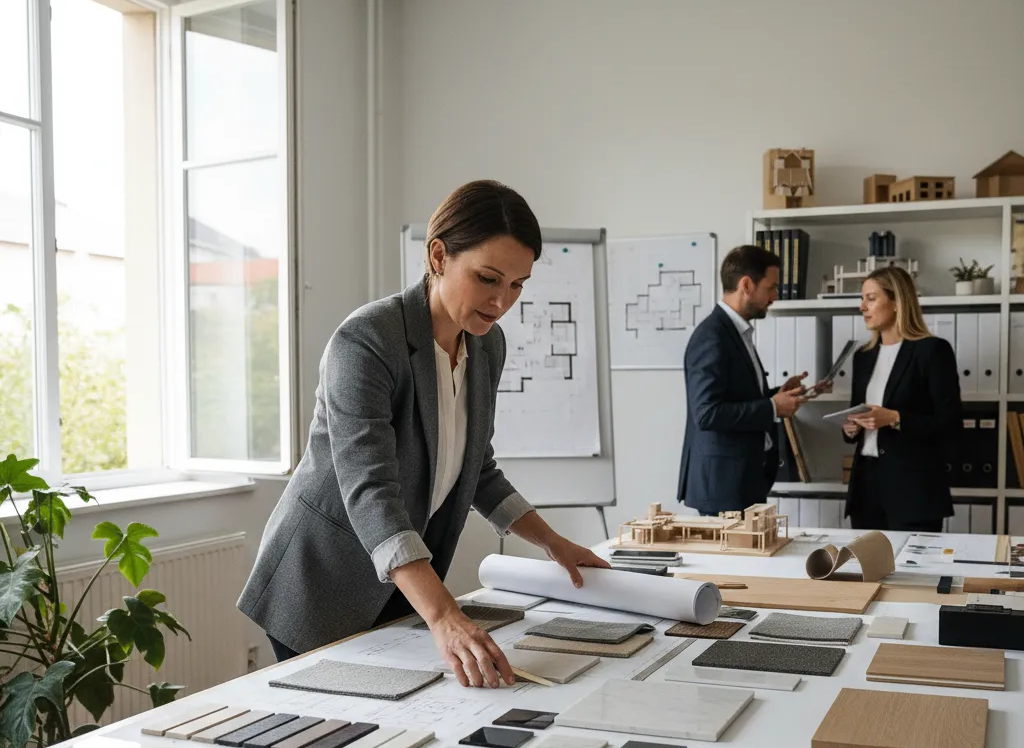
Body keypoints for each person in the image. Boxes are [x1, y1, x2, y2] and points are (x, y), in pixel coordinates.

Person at [238, 180, 608, 687]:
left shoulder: (487, 345)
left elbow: (478, 470)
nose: (501, 301)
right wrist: (444, 615)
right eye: (488, 278)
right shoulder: (366, 340)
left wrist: (554, 543)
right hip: (321, 583)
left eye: (517, 285)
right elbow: (371, 492)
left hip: (401, 580)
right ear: (438, 256)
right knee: (336, 727)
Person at [678, 244, 822, 515]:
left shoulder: (735, 332)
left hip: (742, 480)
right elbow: (707, 414)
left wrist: (779, 394)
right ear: (746, 285)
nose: (775, 296)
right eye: (771, 287)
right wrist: (773, 407)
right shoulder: (712, 336)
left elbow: (737, 397)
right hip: (722, 488)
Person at [842, 266, 961, 531]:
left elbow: (950, 423)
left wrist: (895, 419)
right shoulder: (863, 356)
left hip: (914, 490)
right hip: (866, 486)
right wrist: (851, 428)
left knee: (912, 560)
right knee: (866, 559)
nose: (862, 307)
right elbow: (858, 412)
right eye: (862, 299)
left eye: (871, 298)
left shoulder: (932, 351)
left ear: (897, 302)